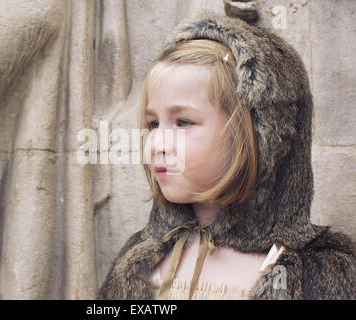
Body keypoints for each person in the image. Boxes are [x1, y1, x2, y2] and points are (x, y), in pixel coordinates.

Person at [97, 11, 356, 300]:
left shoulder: (321, 274)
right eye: (153, 124)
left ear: (260, 135)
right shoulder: (138, 262)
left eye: (183, 122)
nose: (156, 144)